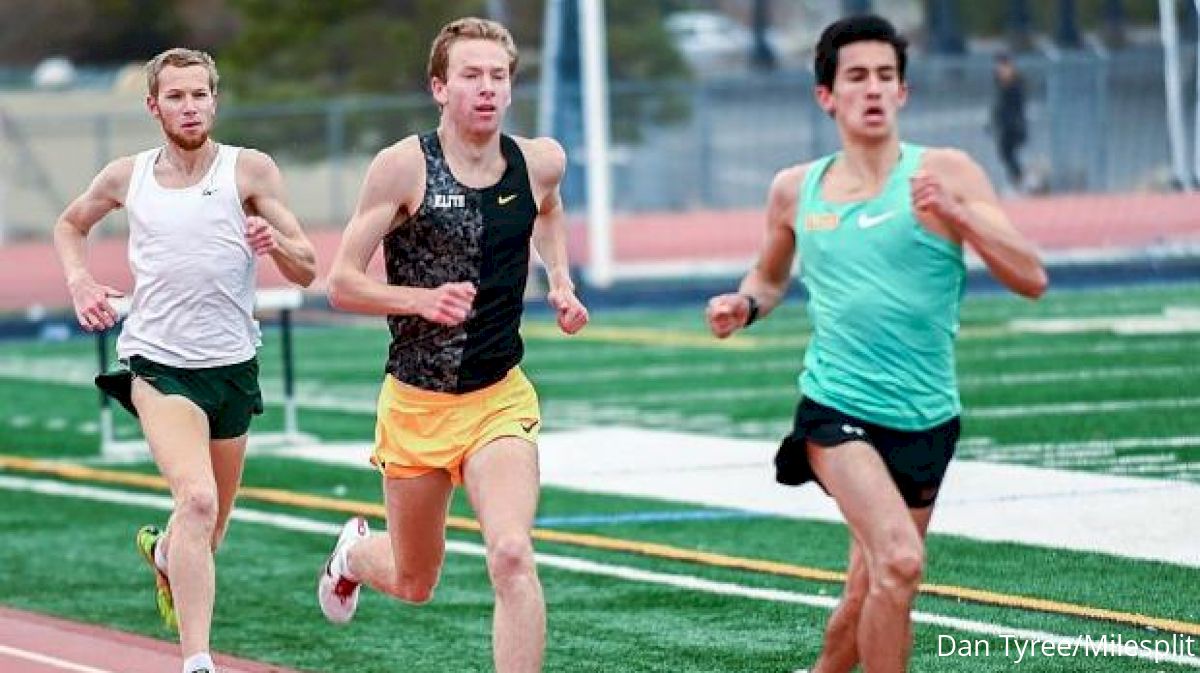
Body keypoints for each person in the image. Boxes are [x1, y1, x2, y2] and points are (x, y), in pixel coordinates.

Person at [705, 15, 1047, 673]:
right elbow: (769, 277)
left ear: (903, 93)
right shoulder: (794, 188)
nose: (873, 89)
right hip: (836, 410)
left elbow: (1030, 277)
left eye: (885, 77)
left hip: (927, 417)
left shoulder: (948, 172)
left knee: (869, 588)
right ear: (825, 95)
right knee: (900, 560)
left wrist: (963, 217)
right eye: (856, 76)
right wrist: (745, 304)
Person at [317, 17, 588, 673]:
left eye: (498, 76)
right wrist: (420, 300)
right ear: (440, 86)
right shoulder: (402, 167)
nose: (487, 88)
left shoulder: (540, 159)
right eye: (471, 75)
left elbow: (547, 208)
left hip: (498, 400)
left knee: (512, 552)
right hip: (415, 406)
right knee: (415, 580)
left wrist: (561, 279)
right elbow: (341, 283)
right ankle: (352, 554)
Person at [52, 48, 316, 673]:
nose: (190, 106)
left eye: (199, 94)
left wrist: (274, 243)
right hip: (157, 365)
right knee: (196, 501)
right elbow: (70, 225)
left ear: (214, 101)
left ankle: (167, 553)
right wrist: (80, 282)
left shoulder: (249, 172)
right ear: (154, 106)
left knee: (208, 532)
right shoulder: (128, 176)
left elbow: (307, 267)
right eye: (176, 96)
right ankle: (197, 661)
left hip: (231, 367)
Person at [990, 52, 1027, 192]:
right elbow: (998, 105)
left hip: (1014, 124)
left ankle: (1019, 181)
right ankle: (1018, 180)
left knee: (1008, 152)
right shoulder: (1000, 83)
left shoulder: (1015, 84)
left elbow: (1015, 105)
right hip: (1005, 124)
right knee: (1005, 153)